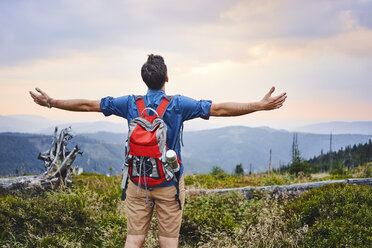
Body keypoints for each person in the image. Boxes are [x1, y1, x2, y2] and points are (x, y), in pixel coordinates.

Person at [29, 54, 287, 248]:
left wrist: (51, 102)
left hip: (137, 182)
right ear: (166, 78)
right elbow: (219, 109)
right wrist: (259, 105)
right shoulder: (177, 104)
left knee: (134, 238)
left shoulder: (130, 103)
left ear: (145, 80)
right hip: (168, 183)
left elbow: (87, 105)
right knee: (167, 241)